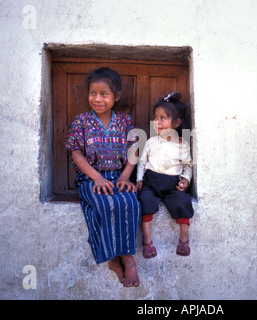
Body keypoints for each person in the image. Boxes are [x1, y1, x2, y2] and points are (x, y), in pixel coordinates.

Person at [64, 67, 141, 287]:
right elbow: (76, 153)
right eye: (92, 93)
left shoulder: (125, 121)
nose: (97, 99)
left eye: (104, 94)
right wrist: (97, 178)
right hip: (90, 178)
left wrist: (126, 176)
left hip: (118, 176)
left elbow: (133, 150)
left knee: (130, 202)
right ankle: (124, 259)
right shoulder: (82, 121)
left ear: (116, 96)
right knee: (105, 203)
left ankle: (117, 257)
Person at [136, 91, 194, 259]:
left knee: (182, 201)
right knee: (145, 201)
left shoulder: (182, 145)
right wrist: (139, 180)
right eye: (156, 117)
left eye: (163, 118)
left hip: (172, 184)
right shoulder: (150, 142)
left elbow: (187, 166)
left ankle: (184, 238)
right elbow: (141, 162)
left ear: (176, 122)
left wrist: (185, 179)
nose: (157, 122)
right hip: (151, 182)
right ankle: (147, 241)